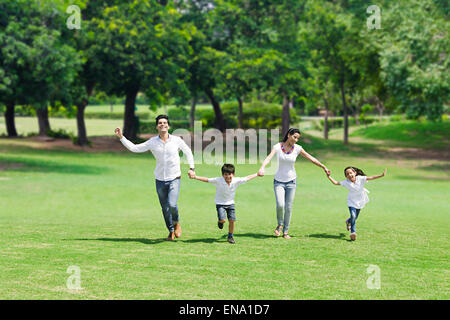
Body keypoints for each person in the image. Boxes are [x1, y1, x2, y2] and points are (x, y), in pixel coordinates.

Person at [114, 115, 195, 241]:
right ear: (157, 126)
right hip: (160, 180)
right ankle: (171, 231)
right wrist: (121, 137)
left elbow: (188, 152)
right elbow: (135, 148)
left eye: (165, 122)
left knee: (172, 204)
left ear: (168, 125)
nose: (162, 124)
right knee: (164, 208)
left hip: (174, 177)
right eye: (160, 123)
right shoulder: (152, 142)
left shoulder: (176, 140)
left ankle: (176, 223)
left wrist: (192, 168)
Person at [258, 128, 330, 239]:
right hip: (278, 181)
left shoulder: (297, 148)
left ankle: (285, 232)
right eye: (294, 137)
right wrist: (262, 168)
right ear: (288, 135)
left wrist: (323, 166)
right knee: (280, 204)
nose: (296, 140)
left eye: (298, 138)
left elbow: (311, 158)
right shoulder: (277, 147)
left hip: (292, 181)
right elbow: (268, 158)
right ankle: (279, 225)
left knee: (288, 207)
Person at [190, 163, 260, 244]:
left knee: (232, 220)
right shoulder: (218, 180)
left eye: (229, 174)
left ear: (233, 174)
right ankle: (220, 221)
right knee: (223, 220)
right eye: (225, 174)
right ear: (222, 175)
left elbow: (246, 178)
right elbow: (207, 179)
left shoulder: (236, 180)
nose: (227, 176)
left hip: (231, 204)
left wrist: (257, 174)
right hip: (220, 204)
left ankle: (230, 236)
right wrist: (195, 177)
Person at [326, 167, 387, 241]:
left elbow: (371, 177)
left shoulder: (360, 178)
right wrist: (329, 176)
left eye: (350, 173)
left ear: (355, 173)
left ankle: (348, 221)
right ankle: (353, 232)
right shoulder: (346, 182)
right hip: (351, 201)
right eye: (347, 174)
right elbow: (336, 183)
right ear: (346, 176)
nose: (349, 175)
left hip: (360, 200)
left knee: (355, 217)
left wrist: (381, 175)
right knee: (353, 215)